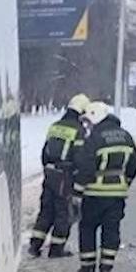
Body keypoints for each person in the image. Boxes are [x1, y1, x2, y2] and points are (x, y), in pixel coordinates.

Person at [70, 99, 136, 272]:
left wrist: (77, 192)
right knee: (111, 230)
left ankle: (88, 266)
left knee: (87, 228)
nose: (86, 125)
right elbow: (134, 163)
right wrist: (126, 182)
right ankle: (106, 268)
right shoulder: (126, 136)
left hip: (94, 193)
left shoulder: (95, 138)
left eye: (88, 121)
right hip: (117, 195)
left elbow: (86, 166)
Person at [27, 93, 89, 258]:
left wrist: (48, 170)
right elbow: (80, 158)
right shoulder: (79, 130)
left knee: (46, 210)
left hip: (50, 173)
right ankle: (57, 249)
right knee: (63, 212)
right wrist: (78, 178)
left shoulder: (54, 126)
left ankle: (35, 245)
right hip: (65, 176)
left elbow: (44, 152)